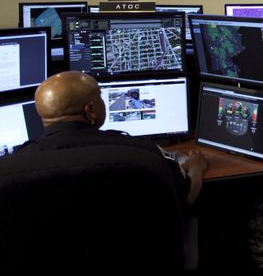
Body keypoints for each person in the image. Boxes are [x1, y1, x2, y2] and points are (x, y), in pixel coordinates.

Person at [15, 70, 208, 211]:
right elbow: (185, 199)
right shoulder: (142, 151)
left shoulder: (16, 166)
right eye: (100, 97)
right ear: (90, 110)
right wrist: (196, 168)